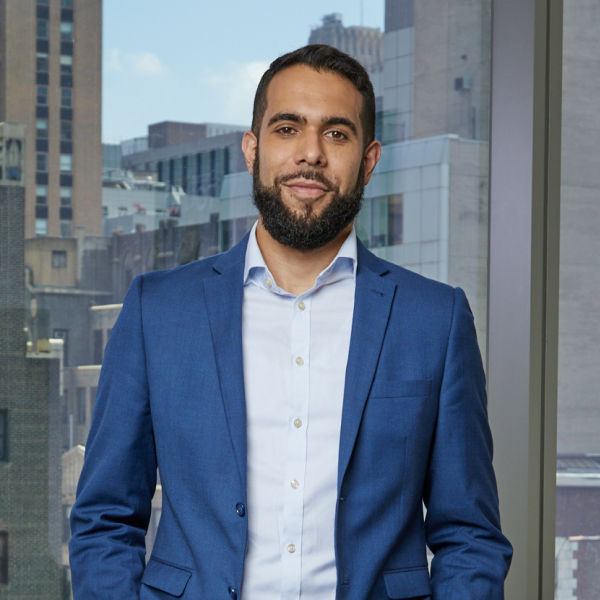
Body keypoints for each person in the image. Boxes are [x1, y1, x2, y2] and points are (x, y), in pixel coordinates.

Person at [69, 44, 512, 600]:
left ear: (369, 160)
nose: (310, 154)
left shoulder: (435, 320)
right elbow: (105, 517)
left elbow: (469, 535)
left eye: (336, 134)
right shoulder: (158, 310)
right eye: (287, 128)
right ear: (251, 150)